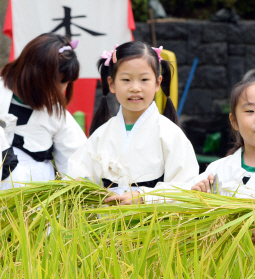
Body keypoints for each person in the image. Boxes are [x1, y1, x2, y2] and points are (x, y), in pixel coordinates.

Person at [67, 41, 198, 204]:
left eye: (144, 79)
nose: (135, 88)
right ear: (112, 84)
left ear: (157, 83)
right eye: (126, 80)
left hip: (155, 225)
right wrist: (80, 184)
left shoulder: (170, 135)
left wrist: (145, 197)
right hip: (107, 224)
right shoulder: (101, 135)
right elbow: (78, 173)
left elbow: (186, 186)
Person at [0, 33, 86, 188]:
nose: (61, 91)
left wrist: (81, 182)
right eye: (56, 83)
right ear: (33, 74)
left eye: (65, 83)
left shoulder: (57, 115)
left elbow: (77, 162)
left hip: (36, 203)